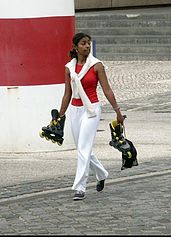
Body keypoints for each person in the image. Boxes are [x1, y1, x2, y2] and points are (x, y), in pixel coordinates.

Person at [59, 32, 125, 201]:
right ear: (75, 47)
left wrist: (117, 111)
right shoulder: (69, 68)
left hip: (91, 110)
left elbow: (107, 89)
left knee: (83, 148)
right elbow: (67, 94)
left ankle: (80, 187)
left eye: (88, 43)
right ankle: (102, 173)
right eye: (83, 43)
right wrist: (59, 116)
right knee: (83, 148)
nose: (87, 46)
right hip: (75, 110)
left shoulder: (97, 65)